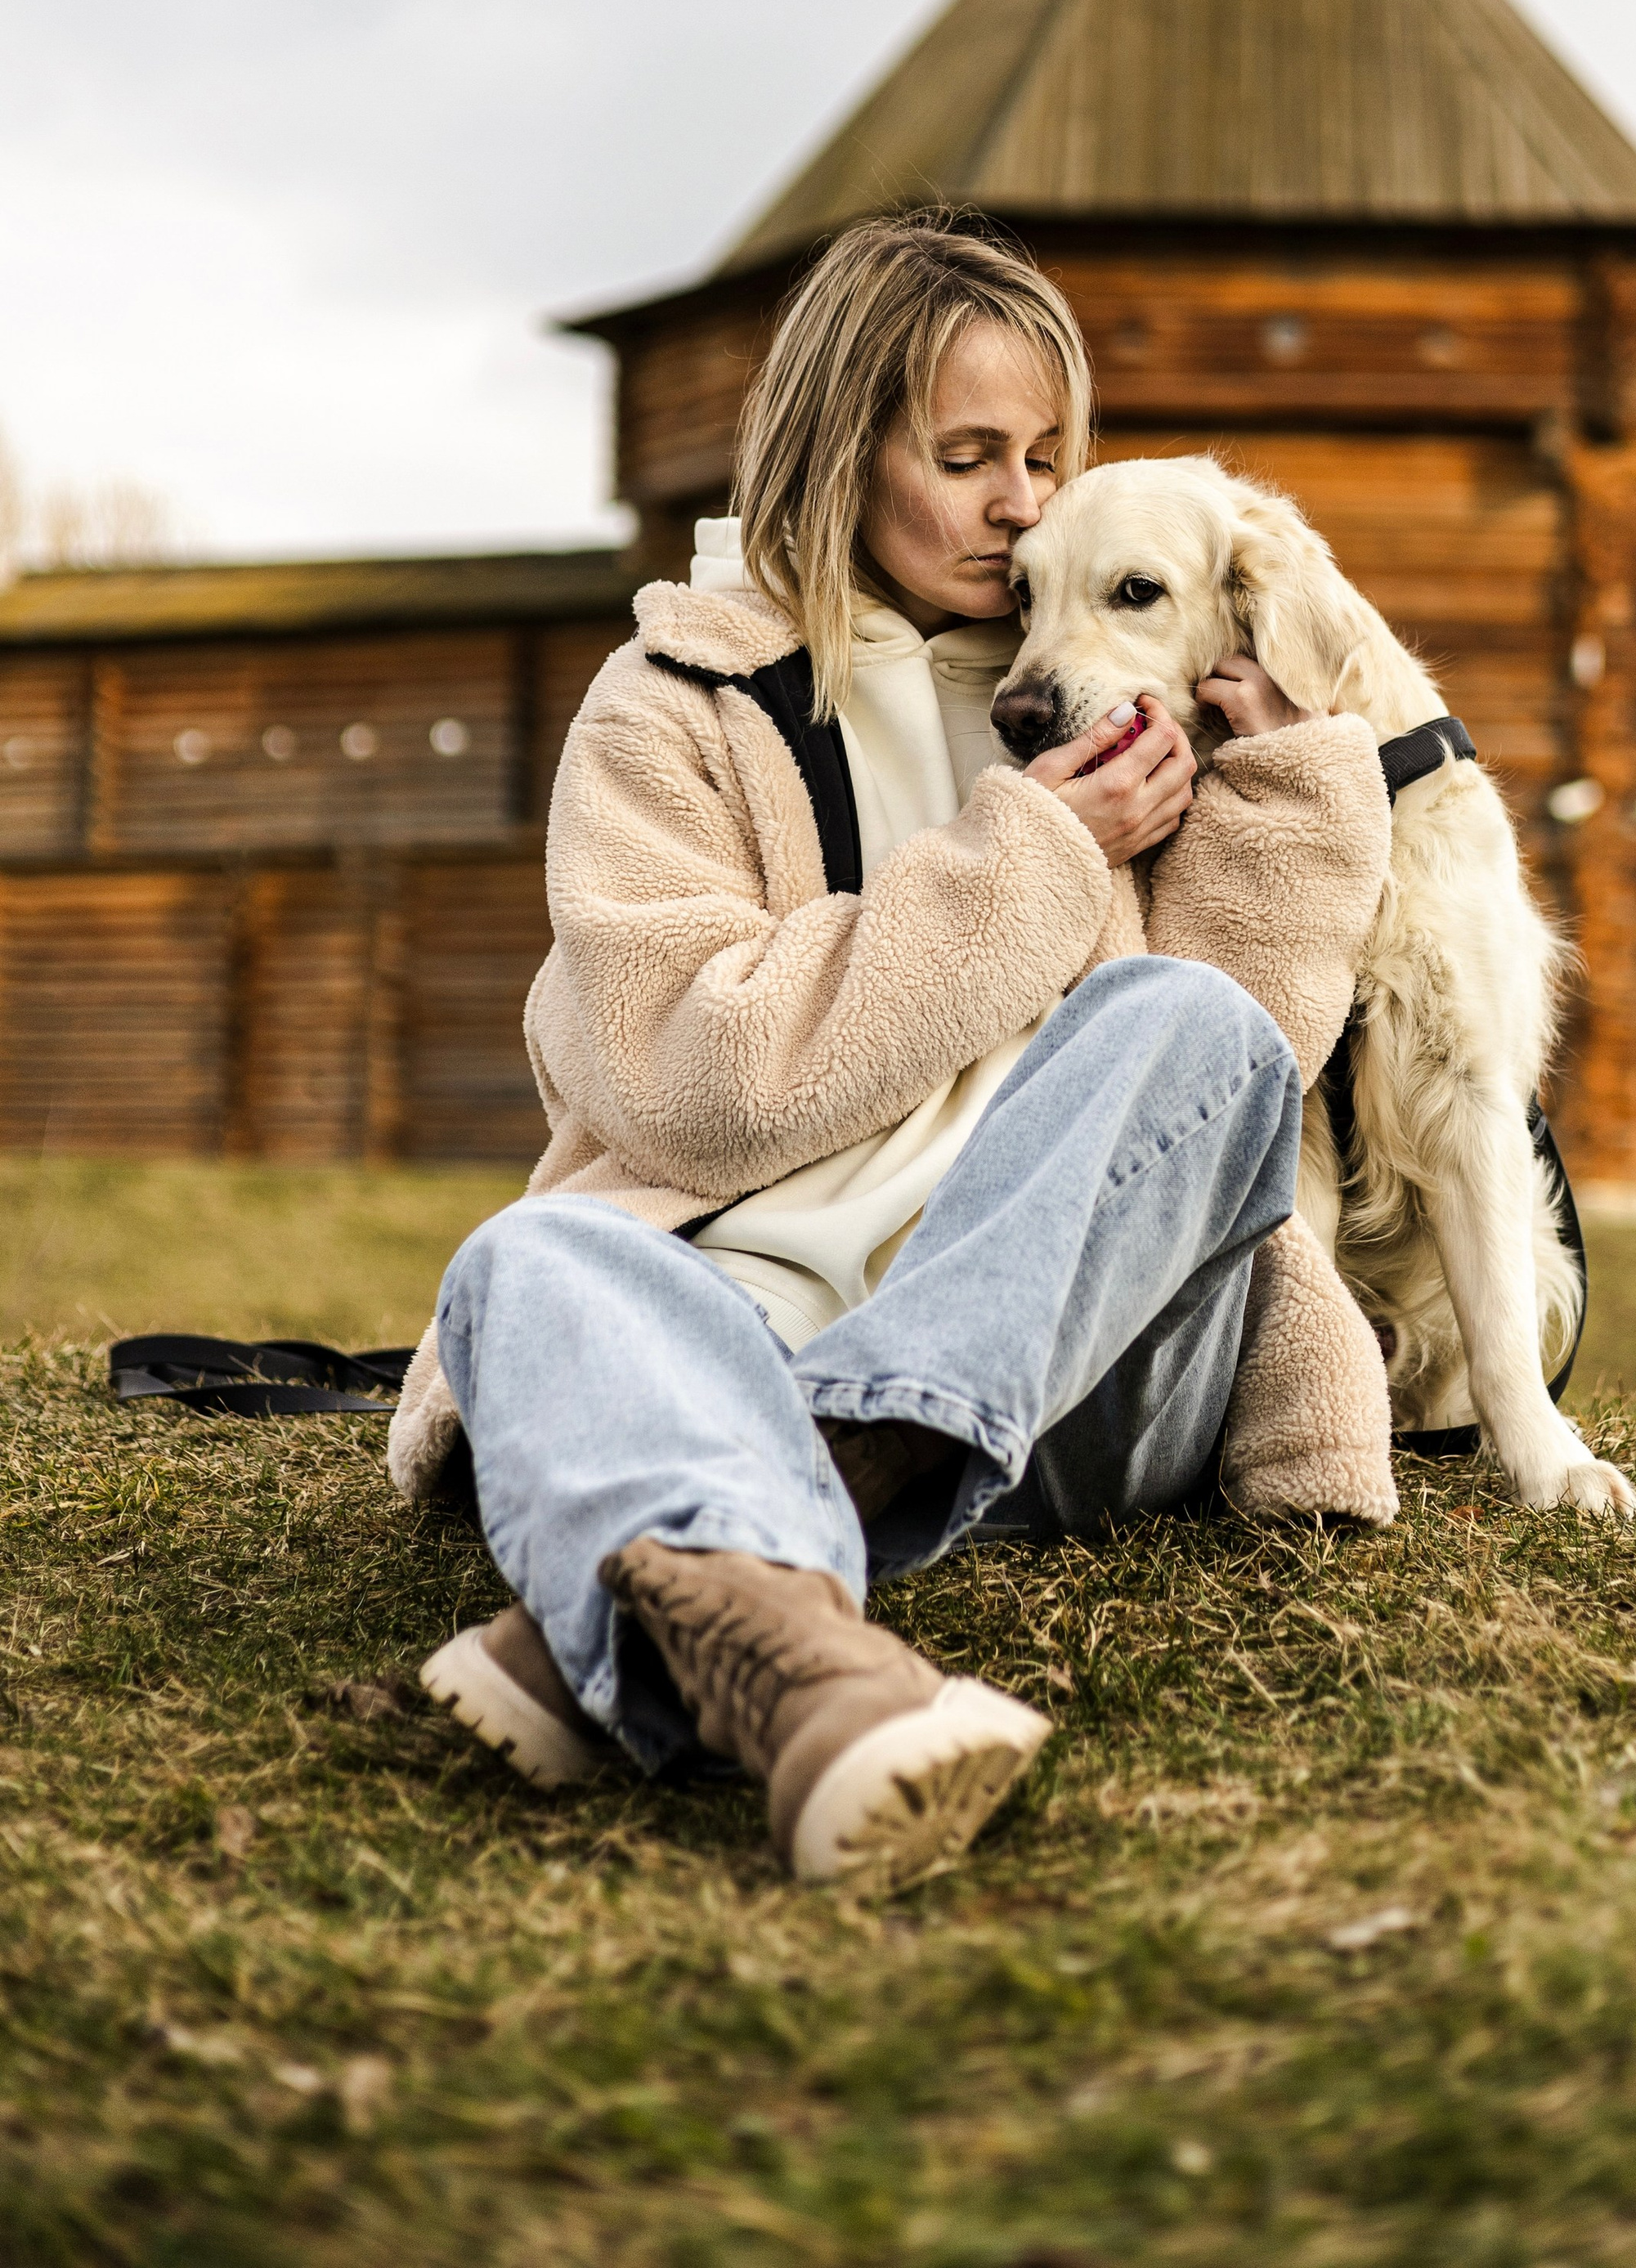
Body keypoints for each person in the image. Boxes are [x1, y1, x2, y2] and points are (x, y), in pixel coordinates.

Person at [394, 213, 1392, 1888]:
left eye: (1048, 456)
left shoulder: (1097, 665)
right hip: (743, 1322)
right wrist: (1022, 868)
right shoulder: (672, 709)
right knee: (529, 1261)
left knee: (1189, 1024)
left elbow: (1225, 1093)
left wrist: (1285, 792)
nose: (1025, 504)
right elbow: (678, 1077)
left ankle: (714, 1562)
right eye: (967, 456)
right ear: (835, 459)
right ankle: (810, 1677)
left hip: (1080, 1373)